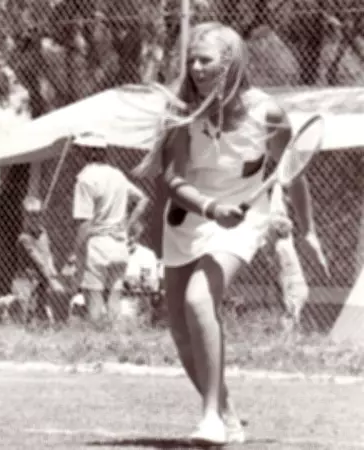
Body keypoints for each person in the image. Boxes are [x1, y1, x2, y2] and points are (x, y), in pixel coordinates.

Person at [131, 22, 315, 445]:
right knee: (179, 328)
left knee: (200, 300)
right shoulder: (179, 110)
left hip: (244, 221)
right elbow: (172, 179)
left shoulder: (267, 113)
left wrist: (309, 228)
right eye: (191, 59)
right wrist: (211, 208)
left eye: (205, 59)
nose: (195, 67)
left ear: (230, 62)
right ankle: (227, 412)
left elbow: (294, 174)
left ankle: (209, 417)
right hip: (190, 218)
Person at [68, 153, 150, 324]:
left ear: (82, 152)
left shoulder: (86, 178)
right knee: (114, 296)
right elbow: (143, 198)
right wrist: (127, 226)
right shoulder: (117, 175)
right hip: (119, 243)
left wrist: (76, 251)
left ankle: (95, 340)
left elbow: (85, 222)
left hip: (98, 243)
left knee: (94, 298)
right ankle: (114, 337)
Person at [17, 196, 68, 324]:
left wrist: (52, 268)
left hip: (44, 274)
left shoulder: (42, 232)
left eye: (38, 214)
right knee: (31, 305)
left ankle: (46, 321)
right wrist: (51, 280)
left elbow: (47, 252)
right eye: (31, 215)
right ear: (25, 216)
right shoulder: (25, 238)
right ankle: (30, 322)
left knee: (45, 302)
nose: (35, 218)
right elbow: (37, 259)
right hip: (31, 277)